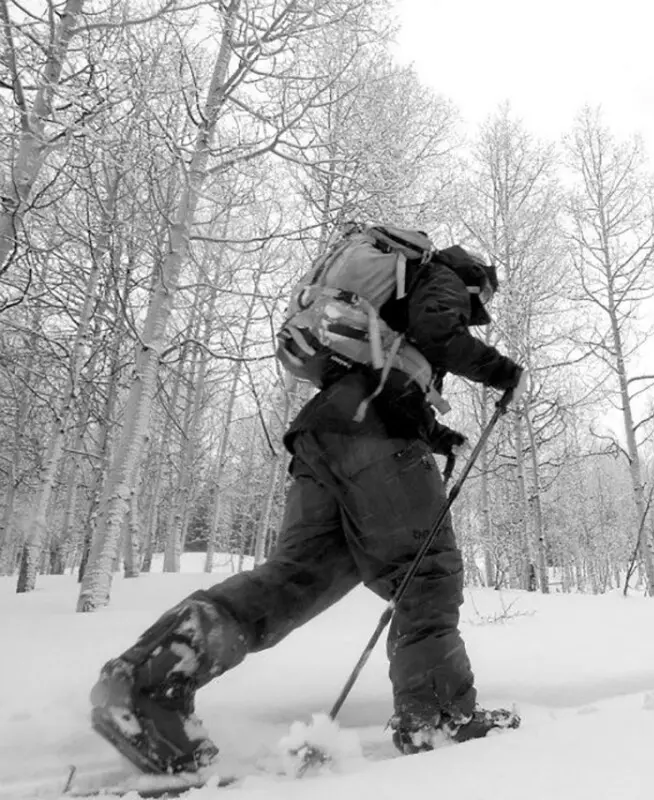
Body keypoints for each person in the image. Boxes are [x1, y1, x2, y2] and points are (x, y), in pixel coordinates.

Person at [88, 237, 528, 775]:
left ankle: (147, 684)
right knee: (426, 574)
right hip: (375, 439)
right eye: (480, 301)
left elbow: (387, 383)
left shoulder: (382, 320)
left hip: (325, 438)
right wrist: (503, 371)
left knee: (292, 580)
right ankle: (437, 719)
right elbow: (438, 333)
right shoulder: (443, 277)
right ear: (475, 281)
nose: (475, 310)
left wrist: (438, 435)